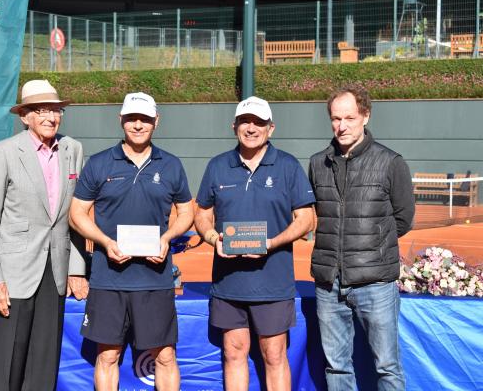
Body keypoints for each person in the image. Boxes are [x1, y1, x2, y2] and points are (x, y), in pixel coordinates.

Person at [69, 92, 194, 391]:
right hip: (108, 279)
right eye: (132, 118)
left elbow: (187, 212)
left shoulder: (172, 165)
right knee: (108, 355)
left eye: (145, 119)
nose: (138, 125)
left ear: (156, 122)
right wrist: (104, 241)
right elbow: (77, 214)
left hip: (155, 279)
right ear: (121, 120)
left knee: (165, 356)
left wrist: (167, 237)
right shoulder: (99, 164)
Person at [194, 96, 315, 391]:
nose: (251, 128)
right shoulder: (217, 166)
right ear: (234, 126)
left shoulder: (287, 166)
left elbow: (306, 219)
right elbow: (202, 213)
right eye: (245, 121)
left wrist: (272, 243)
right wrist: (212, 238)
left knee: (273, 355)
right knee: (234, 351)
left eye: (259, 122)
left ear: (270, 128)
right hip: (229, 282)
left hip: (272, 282)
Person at [0, 79, 88, 391]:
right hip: (13, 276)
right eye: (41, 111)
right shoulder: (4, 152)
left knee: (44, 363)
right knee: (8, 364)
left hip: (56, 272)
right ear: (25, 117)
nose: (51, 117)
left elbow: (75, 218)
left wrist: (77, 269)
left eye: (55, 110)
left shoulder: (73, 149)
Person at [308, 85, 415, 391]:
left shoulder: (391, 162)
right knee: (337, 367)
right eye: (335, 118)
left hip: (376, 284)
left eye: (350, 118)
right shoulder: (318, 163)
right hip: (329, 284)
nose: (341, 126)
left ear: (366, 116)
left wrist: (370, 250)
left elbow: (403, 218)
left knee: (387, 367)